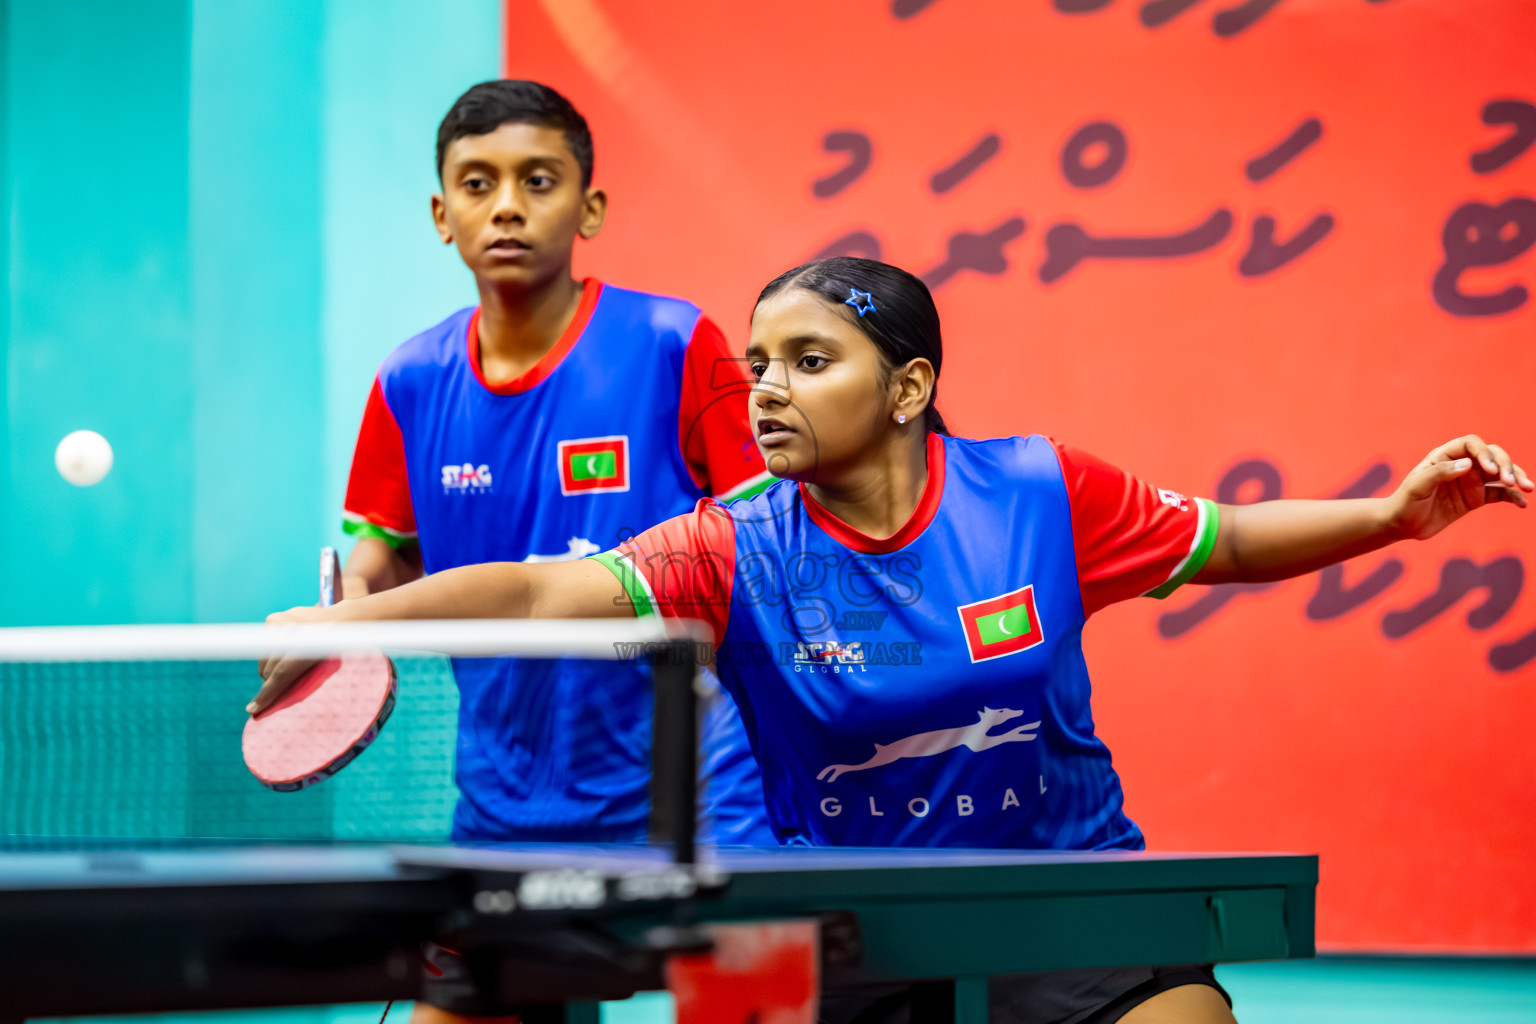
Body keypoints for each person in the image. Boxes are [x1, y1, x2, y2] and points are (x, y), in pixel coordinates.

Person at [256, 256, 1530, 1024]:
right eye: (759, 364)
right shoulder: (733, 542)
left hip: (1066, 895)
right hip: (833, 920)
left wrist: (1395, 519)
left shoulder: (1038, 493)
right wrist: (349, 621)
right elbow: (543, 599)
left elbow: (1232, 539)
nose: (766, 388)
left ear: (909, 386)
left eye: (809, 361)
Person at [296, 79, 777, 849]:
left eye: (539, 180)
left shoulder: (673, 341)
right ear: (441, 215)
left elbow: (770, 541)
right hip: (503, 798)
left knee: (736, 968)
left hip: (702, 786)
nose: (507, 206)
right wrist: (343, 611)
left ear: (590, 208)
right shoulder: (409, 381)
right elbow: (380, 563)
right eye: (478, 183)